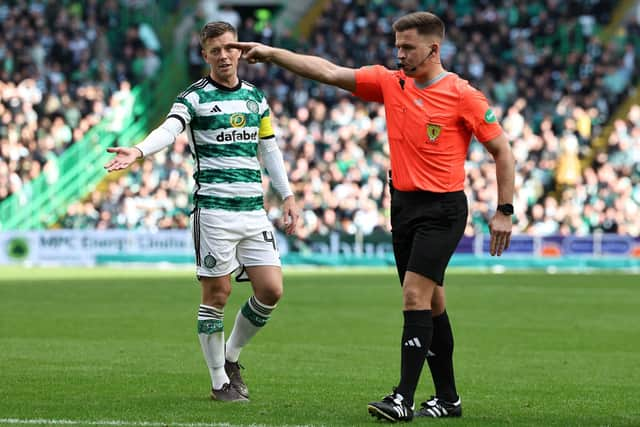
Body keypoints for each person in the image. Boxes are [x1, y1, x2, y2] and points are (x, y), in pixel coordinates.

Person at [228, 11, 515, 421]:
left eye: (408, 47)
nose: (399, 54)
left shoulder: (462, 95)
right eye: (397, 46)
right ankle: (449, 399)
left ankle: (402, 398)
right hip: (403, 206)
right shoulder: (391, 83)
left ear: (434, 49)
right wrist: (273, 54)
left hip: (443, 210)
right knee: (431, 303)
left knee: (414, 296)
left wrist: (504, 211)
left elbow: (503, 151)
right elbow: (327, 71)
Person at [104, 21, 299, 402]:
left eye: (229, 48)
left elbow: (269, 149)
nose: (224, 55)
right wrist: (139, 150)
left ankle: (231, 357)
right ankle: (219, 383)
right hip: (213, 212)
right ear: (205, 55)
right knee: (217, 293)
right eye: (215, 50)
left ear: (240, 50)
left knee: (272, 290)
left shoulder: (255, 98)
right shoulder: (192, 98)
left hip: (253, 212)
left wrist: (287, 194)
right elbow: (170, 129)